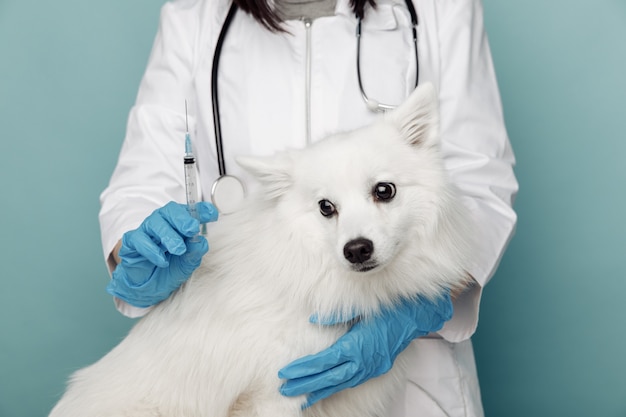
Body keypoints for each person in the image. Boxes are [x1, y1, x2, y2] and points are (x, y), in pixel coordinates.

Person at [99, 0, 518, 415]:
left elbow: (481, 183)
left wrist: (419, 307)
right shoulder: (194, 16)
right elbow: (141, 184)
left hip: (417, 384)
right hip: (245, 342)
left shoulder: (439, 8)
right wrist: (139, 254)